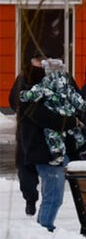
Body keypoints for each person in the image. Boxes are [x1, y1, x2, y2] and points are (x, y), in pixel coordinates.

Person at [16, 59, 86, 232]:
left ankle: (44, 228)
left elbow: (74, 102)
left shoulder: (52, 89)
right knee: (53, 196)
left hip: (54, 151)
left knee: (54, 196)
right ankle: (44, 229)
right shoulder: (32, 95)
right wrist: (73, 121)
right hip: (46, 153)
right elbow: (51, 120)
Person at [9, 58, 46, 216]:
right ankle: (45, 203)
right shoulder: (56, 79)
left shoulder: (23, 78)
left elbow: (13, 101)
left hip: (27, 130)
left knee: (26, 165)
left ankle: (31, 200)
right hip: (48, 131)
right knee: (47, 168)